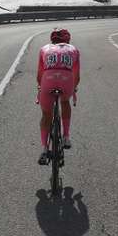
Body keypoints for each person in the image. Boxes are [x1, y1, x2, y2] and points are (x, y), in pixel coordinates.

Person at [36, 27, 80, 165]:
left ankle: (44, 149)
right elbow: (76, 75)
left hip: (48, 80)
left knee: (46, 115)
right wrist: (74, 89)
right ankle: (66, 137)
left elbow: (39, 75)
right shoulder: (74, 49)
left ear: (52, 39)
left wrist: (40, 87)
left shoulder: (44, 49)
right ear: (68, 40)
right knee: (65, 101)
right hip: (66, 80)